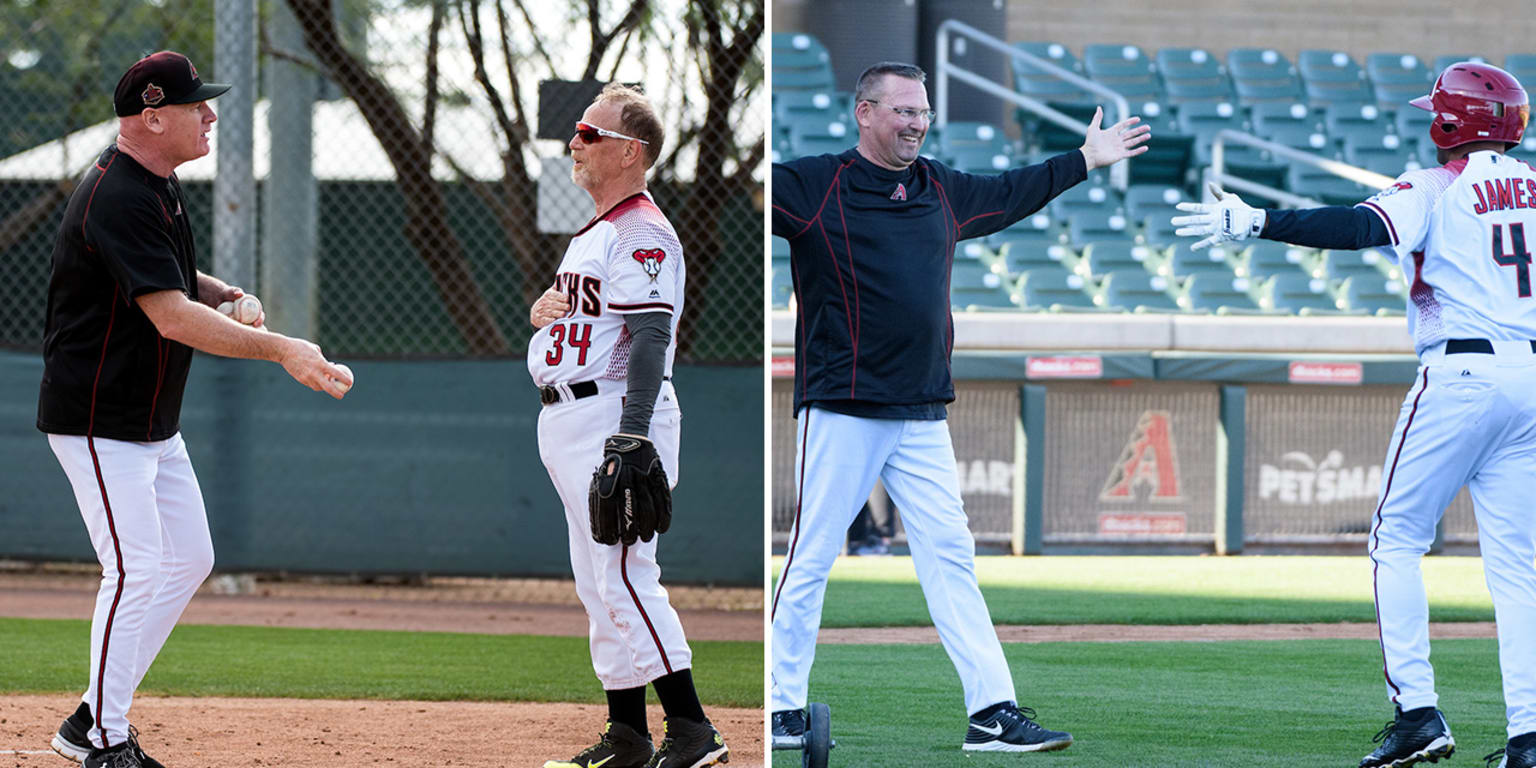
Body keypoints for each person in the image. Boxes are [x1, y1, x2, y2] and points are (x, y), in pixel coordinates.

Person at [769, 61, 1149, 753]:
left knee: (951, 558)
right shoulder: (813, 184)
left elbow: (1011, 191)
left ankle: (991, 712)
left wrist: (1084, 161)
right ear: (865, 113)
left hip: (921, 411)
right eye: (902, 112)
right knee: (811, 558)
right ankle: (781, 708)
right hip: (844, 405)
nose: (916, 124)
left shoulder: (940, 186)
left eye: (923, 113)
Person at [1171, 61, 1536, 768]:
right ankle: (1529, 736)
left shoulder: (1436, 184)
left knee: (1395, 538)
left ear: (1449, 123)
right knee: (1520, 569)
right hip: (1531, 373)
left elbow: (1356, 227)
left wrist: (1257, 222)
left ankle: (1418, 714)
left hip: (1461, 369)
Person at [39, 51, 352, 768]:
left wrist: (223, 292)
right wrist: (280, 348)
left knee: (188, 558)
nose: (210, 113)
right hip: (97, 418)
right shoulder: (116, 193)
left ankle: (93, 715)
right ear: (153, 117)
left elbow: (176, 281)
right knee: (136, 568)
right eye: (195, 105)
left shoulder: (155, 184)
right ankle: (105, 741)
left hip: (148, 418)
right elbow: (170, 316)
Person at [528, 83, 728, 768]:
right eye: (579, 132)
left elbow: (649, 338)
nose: (575, 142)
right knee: (598, 581)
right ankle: (627, 736)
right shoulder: (598, 232)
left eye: (589, 132)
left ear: (628, 151)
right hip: (572, 415)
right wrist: (546, 318)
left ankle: (694, 730)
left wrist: (632, 432)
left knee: (624, 576)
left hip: (614, 413)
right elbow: (600, 322)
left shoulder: (643, 229)